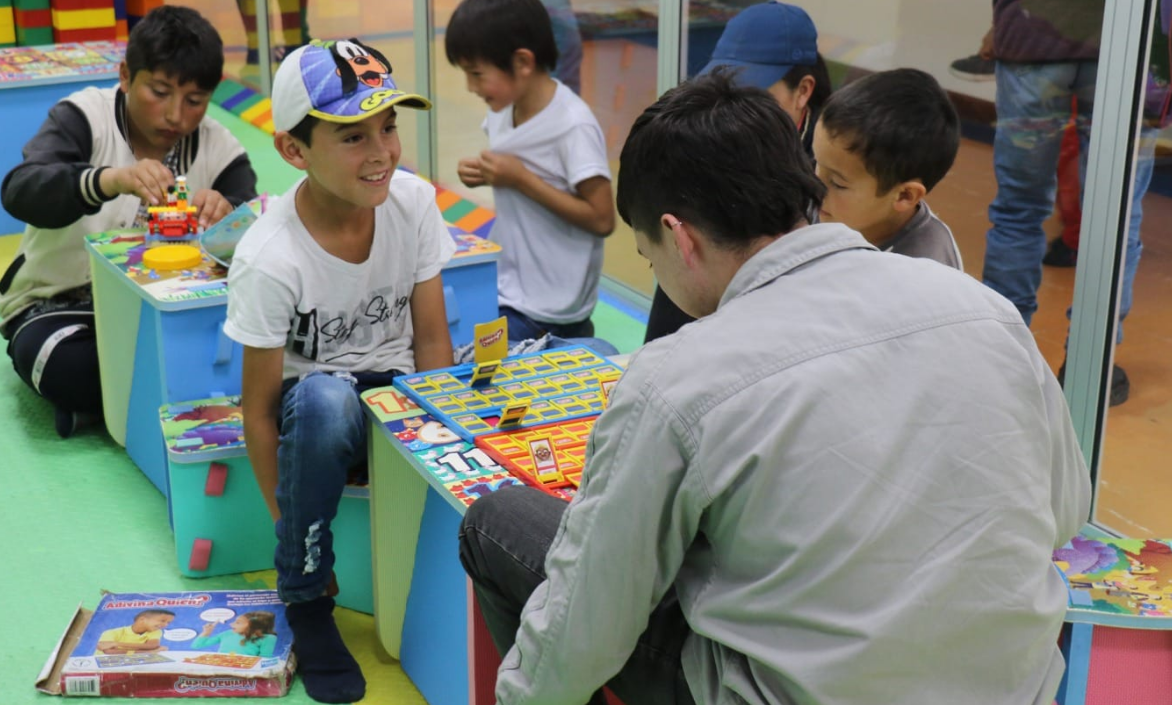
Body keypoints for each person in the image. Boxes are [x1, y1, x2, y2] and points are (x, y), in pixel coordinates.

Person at [459, 71, 1090, 705]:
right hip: (1011, 689)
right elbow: (1066, 513)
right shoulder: (985, 309)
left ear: (680, 238)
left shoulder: (679, 379)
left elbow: (585, 620)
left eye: (651, 260)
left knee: (499, 524)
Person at [224, 39, 455, 704]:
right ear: (294, 151)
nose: (381, 151)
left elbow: (433, 337)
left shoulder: (413, 203)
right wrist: (287, 526)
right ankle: (303, 595)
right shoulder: (270, 256)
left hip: (396, 400)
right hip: (316, 425)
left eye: (388, 126)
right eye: (353, 136)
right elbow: (260, 409)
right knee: (324, 399)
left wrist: (442, 447)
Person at [0, 5, 258, 438]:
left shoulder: (217, 146)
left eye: (195, 101)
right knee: (63, 364)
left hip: (168, 315)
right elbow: (20, 189)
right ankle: (169, 398)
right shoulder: (85, 117)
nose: (177, 115)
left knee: (267, 349)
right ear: (124, 76)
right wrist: (109, 180)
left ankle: (111, 406)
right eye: (159, 92)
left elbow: (253, 222)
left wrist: (227, 213)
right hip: (63, 305)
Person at [982, 0, 1159, 406]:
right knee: (1115, 218)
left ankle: (999, 352)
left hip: (1031, 35)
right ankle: (1090, 362)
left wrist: (1002, 22)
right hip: (1130, 42)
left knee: (1018, 209)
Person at [644, 0, 831, 343]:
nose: (734, 110)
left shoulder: (834, 163)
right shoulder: (709, 143)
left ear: (803, 91)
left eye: (755, 95)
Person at [445, 0, 616, 344]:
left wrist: (520, 179)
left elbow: (602, 219)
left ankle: (572, 340)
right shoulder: (502, 108)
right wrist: (484, 173)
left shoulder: (572, 126)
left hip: (550, 308)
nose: (469, 86)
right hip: (507, 286)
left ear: (523, 62)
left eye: (476, 73)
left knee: (473, 369)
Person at [813, 68, 963, 268]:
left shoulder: (925, 273)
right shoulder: (824, 206)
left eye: (838, 183)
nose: (813, 187)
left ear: (904, 196)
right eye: (815, 163)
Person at [192, 612, 278, 657]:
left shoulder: (268, 638)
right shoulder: (227, 634)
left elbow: (265, 659)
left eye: (238, 623)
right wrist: (206, 632)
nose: (231, 624)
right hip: (220, 667)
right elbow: (196, 646)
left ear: (254, 626)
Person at [95, 610, 175, 655]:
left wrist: (116, 644)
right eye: (162, 621)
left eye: (168, 623)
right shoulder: (111, 633)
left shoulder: (155, 631)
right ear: (142, 620)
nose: (165, 625)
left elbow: (152, 645)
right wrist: (150, 652)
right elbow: (110, 652)